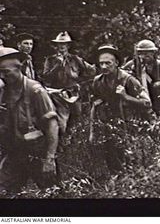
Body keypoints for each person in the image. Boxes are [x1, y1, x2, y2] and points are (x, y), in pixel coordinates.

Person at [0, 47, 59, 195]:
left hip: (37, 152)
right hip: (14, 151)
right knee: (5, 191)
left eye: (6, 72)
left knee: (51, 192)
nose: (2, 76)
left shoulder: (35, 90)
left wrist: (49, 159)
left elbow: (52, 125)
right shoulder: (4, 91)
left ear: (18, 69)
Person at [89, 44, 151, 172]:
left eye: (108, 63)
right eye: (101, 63)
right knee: (111, 159)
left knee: (131, 161)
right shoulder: (98, 81)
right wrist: (92, 132)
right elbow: (94, 105)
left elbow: (147, 103)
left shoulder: (128, 80)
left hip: (129, 125)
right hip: (108, 125)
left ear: (116, 63)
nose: (104, 67)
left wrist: (126, 97)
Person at [42, 32, 96, 134]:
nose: (62, 46)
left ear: (68, 45)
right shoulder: (50, 60)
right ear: (56, 46)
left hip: (74, 94)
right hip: (58, 95)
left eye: (65, 44)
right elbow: (46, 77)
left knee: (76, 120)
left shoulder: (75, 59)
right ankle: (60, 144)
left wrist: (82, 81)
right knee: (61, 122)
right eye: (60, 44)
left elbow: (91, 71)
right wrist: (57, 65)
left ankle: (72, 146)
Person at [123, 39, 160, 115]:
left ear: (153, 53)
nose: (144, 55)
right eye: (141, 53)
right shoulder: (132, 65)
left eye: (147, 52)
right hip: (141, 101)